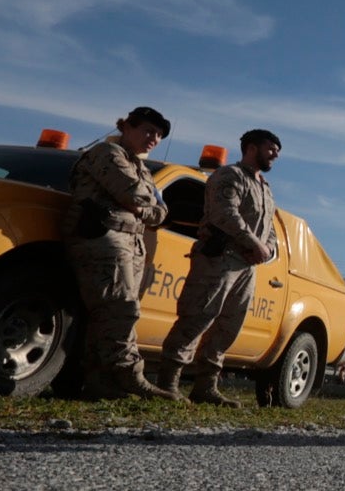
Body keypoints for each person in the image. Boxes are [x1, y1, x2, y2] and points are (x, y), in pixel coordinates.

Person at [65, 106, 183, 401]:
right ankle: (132, 376)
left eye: (158, 134)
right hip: (104, 235)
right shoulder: (107, 153)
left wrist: (145, 209)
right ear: (126, 126)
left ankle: (99, 382)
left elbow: (161, 211)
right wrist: (145, 207)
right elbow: (135, 196)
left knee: (109, 315)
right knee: (120, 308)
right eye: (148, 130)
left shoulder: (142, 167)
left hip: (130, 240)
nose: (153, 138)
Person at [157, 129, 280, 407]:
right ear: (251, 148)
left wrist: (268, 248)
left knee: (228, 325)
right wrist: (253, 242)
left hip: (246, 266)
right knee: (197, 317)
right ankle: (168, 383)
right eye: (270, 148)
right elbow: (223, 213)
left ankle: (205, 387)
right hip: (219, 258)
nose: (275, 155)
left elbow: (269, 228)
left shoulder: (264, 188)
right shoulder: (229, 176)